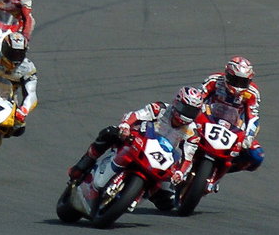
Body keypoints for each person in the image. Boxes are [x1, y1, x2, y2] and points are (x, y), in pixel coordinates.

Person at [67, 85, 206, 210]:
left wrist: (180, 173)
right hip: (139, 141)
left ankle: (141, 194)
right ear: (177, 103)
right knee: (110, 133)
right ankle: (82, 166)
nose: (186, 114)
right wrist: (126, 125)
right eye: (185, 109)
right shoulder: (161, 109)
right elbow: (136, 115)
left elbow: (188, 158)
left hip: (162, 160)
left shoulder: (192, 132)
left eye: (192, 112)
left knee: (168, 202)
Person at [200, 55, 263, 173]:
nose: (238, 85)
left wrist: (248, 137)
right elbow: (198, 98)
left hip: (233, 127)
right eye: (235, 80)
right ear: (227, 75)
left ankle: (225, 169)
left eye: (243, 82)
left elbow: (253, 117)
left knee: (257, 156)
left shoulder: (252, 93)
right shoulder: (214, 81)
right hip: (208, 119)